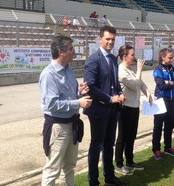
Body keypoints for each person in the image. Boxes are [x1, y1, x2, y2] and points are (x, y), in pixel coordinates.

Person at [39, 35, 92, 186]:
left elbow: (67, 97)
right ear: (62, 52)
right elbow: (52, 104)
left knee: (69, 167)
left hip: (71, 124)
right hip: (58, 127)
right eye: (70, 49)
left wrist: (79, 93)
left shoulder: (68, 70)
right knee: (52, 170)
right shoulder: (49, 74)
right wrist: (78, 102)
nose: (73, 52)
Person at [83, 25, 127, 186]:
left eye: (112, 39)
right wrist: (110, 98)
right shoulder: (93, 59)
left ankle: (109, 177)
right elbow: (90, 86)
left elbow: (115, 83)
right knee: (96, 146)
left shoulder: (113, 59)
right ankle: (93, 181)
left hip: (112, 110)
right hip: (99, 110)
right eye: (107, 39)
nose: (110, 42)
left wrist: (120, 93)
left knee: (109, 144)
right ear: (100, 39)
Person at [115, 45, 153, 176]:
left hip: (134, 107)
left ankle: (130, 161)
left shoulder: (131, 69)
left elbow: (141, 83)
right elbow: (133, 85)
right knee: (123, 137)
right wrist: (140, 70)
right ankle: (119, 164)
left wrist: (148, 94)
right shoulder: (121, 71)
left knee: (132, 136)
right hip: (125, 108)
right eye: (132, 55)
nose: (135, 58)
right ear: (125, 57)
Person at [152, 48, 174, 160]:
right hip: (161, 100)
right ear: (163, 57)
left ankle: (168, 147)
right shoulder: (158, 69)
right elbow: (161, 85)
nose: (171, 59)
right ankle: (156, 149)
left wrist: (169, 82)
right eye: (169, 57)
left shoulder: (173, 69)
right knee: (158, 126)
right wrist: (171, 83)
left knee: (170, 125)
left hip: (171, 100)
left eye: (172, 57)